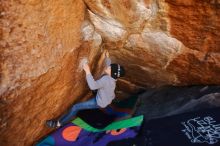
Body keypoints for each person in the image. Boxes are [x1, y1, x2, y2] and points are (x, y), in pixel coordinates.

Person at [46, 51, 125, 128]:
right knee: (98, 91)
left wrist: (88, 71)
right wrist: (107, 58)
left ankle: (58, 123)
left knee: (75, 107)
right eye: (110, 66)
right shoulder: (113, 78)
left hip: (99, 102)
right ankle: (104, 97)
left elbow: (93, 86)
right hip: (108, 98)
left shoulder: (106, 80)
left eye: (110, 68)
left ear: (112, 73)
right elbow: (110, 66)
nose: (108, 67)